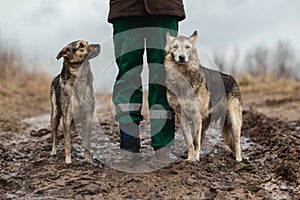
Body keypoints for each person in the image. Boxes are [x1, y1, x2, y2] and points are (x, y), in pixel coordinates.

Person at [108, 0, 186, 160]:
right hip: (125, 8)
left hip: (165, 7)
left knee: (164, 75)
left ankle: (163, 146)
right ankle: (128, 145)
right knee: (127, 74)